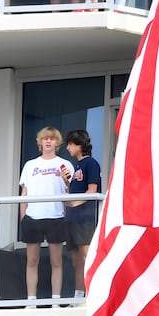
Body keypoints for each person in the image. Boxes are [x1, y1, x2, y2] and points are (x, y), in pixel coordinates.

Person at [19, 126, 74, 304]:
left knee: (56, 261)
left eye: (52, 138)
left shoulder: (65, 164)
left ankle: (56, 301)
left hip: (56, 216)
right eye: (45, 138)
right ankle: (31, 301)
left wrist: (67, 182)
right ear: (40, 142)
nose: (48, 141)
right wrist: (23, 217)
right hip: (33, 217)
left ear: (57, 142)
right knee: (32, 260)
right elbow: (24, 193)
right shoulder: (30, 165)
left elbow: (70, 195)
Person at [62, 128, 101, 300]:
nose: (68, 147)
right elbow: (75, 191)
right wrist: (66, 182)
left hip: (85, 217)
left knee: (88, 257)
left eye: (71, 144)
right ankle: (79, 296)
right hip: (73, 217)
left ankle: (93, 296)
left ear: (80, 145)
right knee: (76, 260)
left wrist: (73, 203)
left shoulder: (91, 163)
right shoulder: (77, 165)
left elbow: (92, 190)